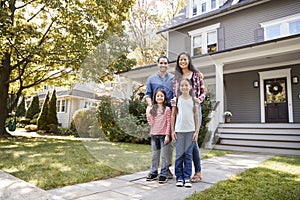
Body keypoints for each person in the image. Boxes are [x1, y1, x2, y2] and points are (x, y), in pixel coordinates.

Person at [172, 52, 205, 183]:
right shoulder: (176, 78)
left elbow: (203, 92)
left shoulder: (196, 75)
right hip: (181, 109)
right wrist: (174, 101)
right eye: (180, 60)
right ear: (178, 62)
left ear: (188, 61)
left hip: (194, 108)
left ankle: (197, 172)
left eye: (185, 59)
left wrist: (198, 100)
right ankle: (184, 173)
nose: (183, 62)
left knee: (193, 139)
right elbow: (174, 93)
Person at [144, 55, 174, 179]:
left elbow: (176, 94)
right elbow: (147, 95)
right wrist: (150, 108)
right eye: (161, 63)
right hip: (156, 113)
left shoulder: (173, 78)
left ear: (168, 65)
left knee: (168, 145)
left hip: (169, 114)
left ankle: (166, 170)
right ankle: (155, 170)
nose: (163, 65)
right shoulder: (151, 79)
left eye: (165, 63)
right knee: (156, 150)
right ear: (158, 64)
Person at [171, 78, 199, 187]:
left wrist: (196, 131)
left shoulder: (193, 100)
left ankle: (187, 178)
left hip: (190, 131)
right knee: (179, 155)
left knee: (188, 155)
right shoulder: (176, 100)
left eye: (186, 85)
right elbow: (173, 115)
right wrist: (173, 130)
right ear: (179, 87)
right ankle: (179, 177)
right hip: (179, 131)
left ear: (190, 86)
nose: (184, 87)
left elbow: (196, 116)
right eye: (182, 85)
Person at [146, 88, 171, 183]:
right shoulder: (153, 109)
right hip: (154, 135)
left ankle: (164, 173)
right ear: (155, 98)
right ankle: (153, 172)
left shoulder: (167, 109)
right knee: (154, 155)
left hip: (163, 135)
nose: (159, 97)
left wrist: (167, 135)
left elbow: (169, 123)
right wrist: (148, 113)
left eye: (161, 95)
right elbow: (151, 122)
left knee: (164, 156)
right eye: (158, 96)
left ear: (164, 98)